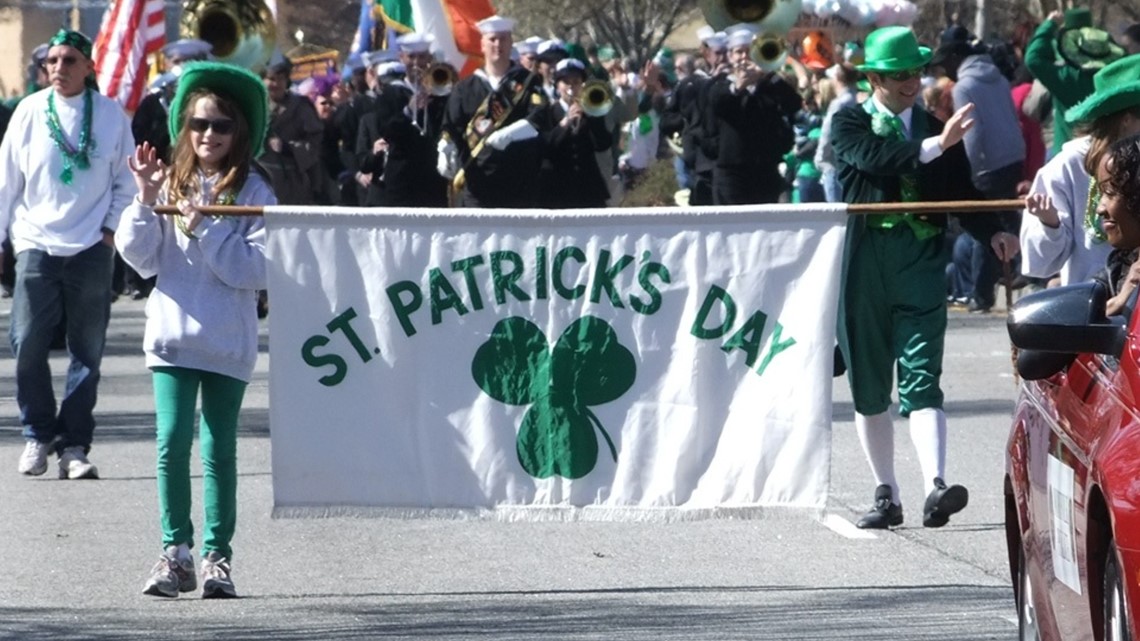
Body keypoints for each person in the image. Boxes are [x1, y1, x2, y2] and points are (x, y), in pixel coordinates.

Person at [831, 26, 1018, 530]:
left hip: (919, 261)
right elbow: (875, 159)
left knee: (922, 376)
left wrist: (994, 232)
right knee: (869, 384)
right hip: (863, 261)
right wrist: (935, 144)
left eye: (914, 71)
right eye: (898, 75)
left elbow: (964, 194)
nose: (910, 82)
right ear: (873, 77)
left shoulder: (941, 129)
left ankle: (936, 485)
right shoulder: (850, 123)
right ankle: (885, 492)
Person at [116, 61, 273, 599]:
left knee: (218, 448)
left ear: (239, 133)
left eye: (221, 126)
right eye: (199, 124)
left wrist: (207, 228)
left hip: (227, 339)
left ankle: (216, 558)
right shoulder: (170, 181)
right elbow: (139, 260)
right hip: (172, 337)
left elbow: (257, 271)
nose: (209, 135)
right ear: (185, 127)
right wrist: (143, 197)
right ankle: (174, 554)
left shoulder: (256, 190)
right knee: (171, 441)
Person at [0, 29, 137, 480]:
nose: (59, 68)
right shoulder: (29, 111)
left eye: (69, 60)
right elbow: (6, 182)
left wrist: (110, 232)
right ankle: (38, 434)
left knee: (87, 350)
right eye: (53, 61)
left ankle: (74, 445)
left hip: (91, 248)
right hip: (37, 243)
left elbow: (126, 181)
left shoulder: (112, 116)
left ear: (88, 67)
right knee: (27, 343)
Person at [1021, 54, 1140, 287]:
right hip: (1093, 308)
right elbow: (1040, 264)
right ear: (1126, 120)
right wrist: (1051, 225)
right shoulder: (1068, 166)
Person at [933, 27, 1026, 313]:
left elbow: (971, 134)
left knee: (983, 231)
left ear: (957, 56)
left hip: (986, 164)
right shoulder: (997, 76)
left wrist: (968, 172)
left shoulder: (964, 87)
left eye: (946, 59)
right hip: (1012, 158)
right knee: (1004, 226)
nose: (944, 67)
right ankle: (1010, 279)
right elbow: (1012, 117)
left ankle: (981, 294)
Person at [437, 15, 549, 208]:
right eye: (492, 39)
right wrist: (445, 147)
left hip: (519, 184)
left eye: (503, 39)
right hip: (477, 186)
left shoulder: (528, 82)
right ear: (482, 45)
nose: (498, 45)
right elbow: (451, 124)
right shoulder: (465, 88)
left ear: (511, 43)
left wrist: (512, 133)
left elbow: (540, 117)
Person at [707, 25, 800, 205]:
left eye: (749, 52)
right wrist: (740, 86)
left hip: (765, 169)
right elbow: (717, 104)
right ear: (730, 56)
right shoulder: (721, 84)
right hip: (732, 173)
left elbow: (793, 104)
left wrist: (768, 74)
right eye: (738, 52)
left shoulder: (770, 86)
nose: (744, 57)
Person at [1025, 8, 1124, 156]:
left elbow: (1033, 58)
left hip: (1066, 154)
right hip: (1106, 156)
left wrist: (1049, 24)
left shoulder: (1066, 77)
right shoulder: (1116, 76)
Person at [539, 58, 614, 208]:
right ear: (557, 86)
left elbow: (602, 144)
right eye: (566, 82)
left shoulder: (592, 112)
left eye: (576, 81)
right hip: (557, 190)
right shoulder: (547, 112)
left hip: (588, 191)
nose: (571, 87)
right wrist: (564, 123)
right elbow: (543, 147)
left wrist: (591, 116)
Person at [1091, 134, 1140, 315]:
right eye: (1101, 193)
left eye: (1110, 193)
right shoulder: (1118, 269)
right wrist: (1121, 300)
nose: (1100, 209)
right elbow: (1081, 317)